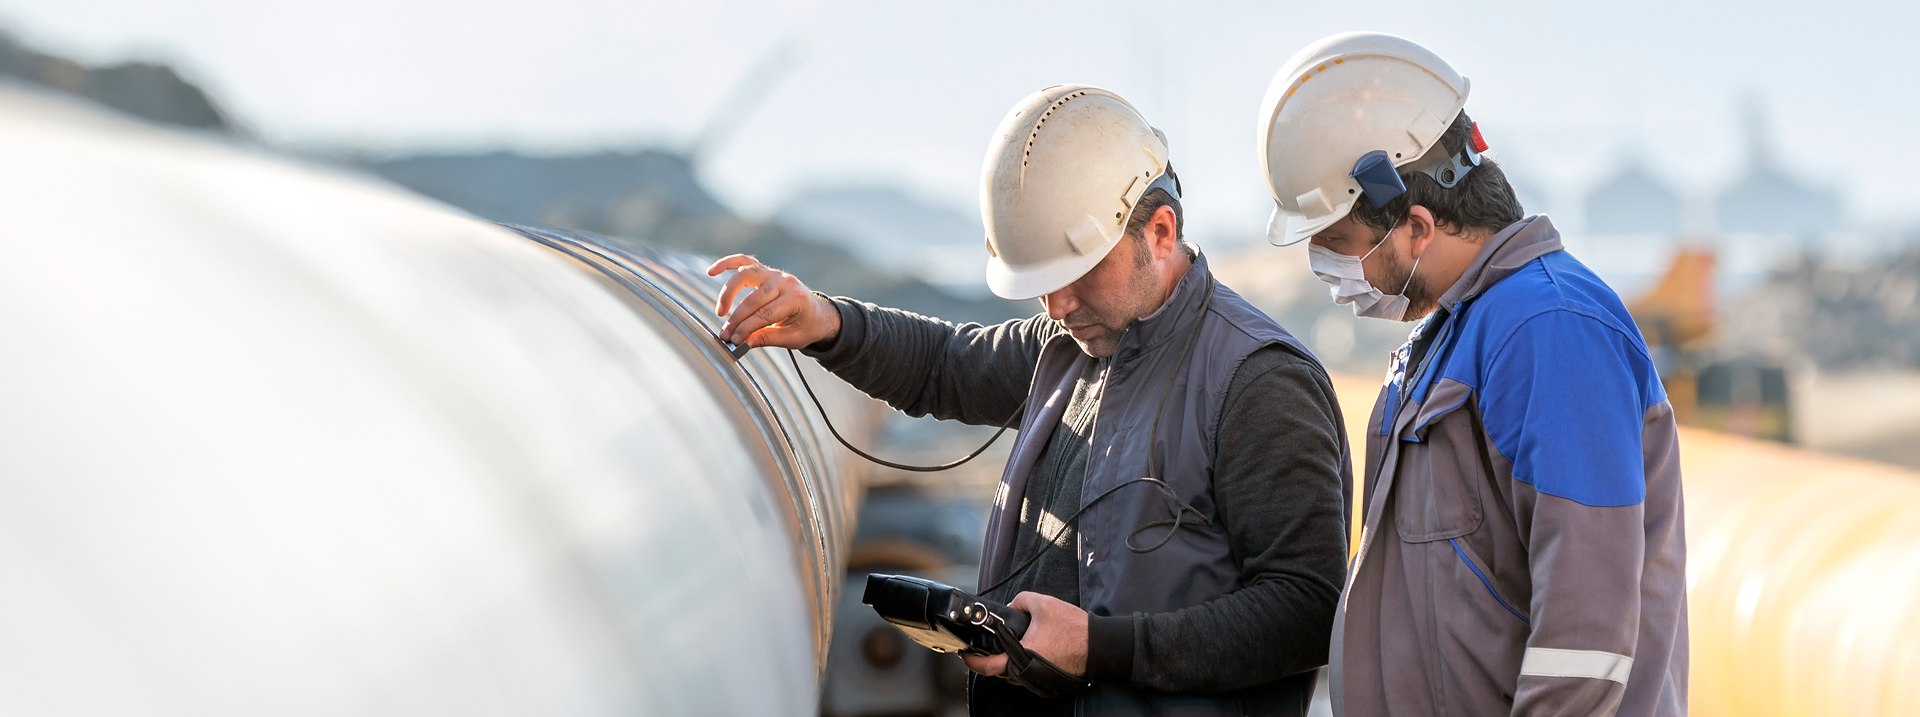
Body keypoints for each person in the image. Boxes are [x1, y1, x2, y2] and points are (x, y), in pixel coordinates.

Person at [710, 85, 1349, 715]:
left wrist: (1103, 649)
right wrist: (827, 321)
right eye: (1041, 286)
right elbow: (944, 365)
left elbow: (1305, 611)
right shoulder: (1070, 345)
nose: (1056, 306)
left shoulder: (1259, 381)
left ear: (1159, 231)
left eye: (1075, 278)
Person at [1255, 32, 1689, 716]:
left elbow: (1586, 635)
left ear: (1418, 226)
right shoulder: (1462, 335)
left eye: (1339, 245)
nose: (1329, 272)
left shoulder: (1549, 329)